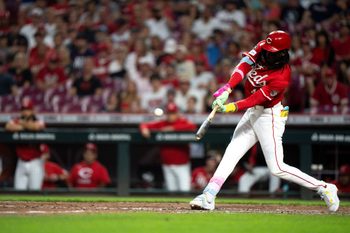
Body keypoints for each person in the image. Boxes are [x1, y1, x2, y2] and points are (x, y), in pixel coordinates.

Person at [190, 30, 340, 212]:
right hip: (253, 113)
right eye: (267, 49)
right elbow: (244, 65)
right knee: (232, 152)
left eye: (272, 51)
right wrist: (228, 88)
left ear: (282, 53)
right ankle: (208, 195)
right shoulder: (264, 46)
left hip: (269, 116)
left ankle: (324, 187)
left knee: (277, 167)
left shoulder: (282, 77)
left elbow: (255, 99)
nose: (267, 53)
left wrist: (229, 107)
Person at [139, 102, 196, 192]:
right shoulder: (162, 123)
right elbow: (144, 124)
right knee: (171, 192)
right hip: (167, 165)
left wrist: (173, 128)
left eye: (173, 113)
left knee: (185, 190)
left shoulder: (182, 122)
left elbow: (193, 126)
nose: (171, 116)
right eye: (169, 113)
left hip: (182, 165)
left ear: (177, 113)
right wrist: (144, 129)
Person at [5, 97, 46, 190]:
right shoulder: (17, 119)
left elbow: (36, 127)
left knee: (35, 192)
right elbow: (8, 126)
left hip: (35, 162)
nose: (25, 112)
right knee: (18, 192)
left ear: (32, 110)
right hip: (21, 162)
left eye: (28, 109)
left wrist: (21, 125)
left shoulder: (38, 119)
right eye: (23, 109)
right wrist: (26, 126)